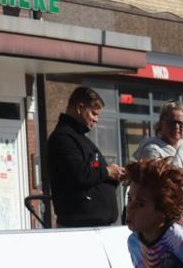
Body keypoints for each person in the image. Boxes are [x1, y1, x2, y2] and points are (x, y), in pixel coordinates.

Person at [47, 86, 125, 227]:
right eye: (94, 114)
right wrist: (107, 171)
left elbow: (93, 175)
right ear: (80, 108)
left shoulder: (79, 138)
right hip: (80, 228)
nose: (96, 120)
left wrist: (115, 176)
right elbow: (79, 175)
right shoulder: (63, 138)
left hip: (93, 226)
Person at [135, 102, 183, 235]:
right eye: (172, 122)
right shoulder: (151, 150)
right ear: (161, 123)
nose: (177, 127)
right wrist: (172, 216)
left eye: (181, 124)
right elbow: (154, 191)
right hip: (159, 225)